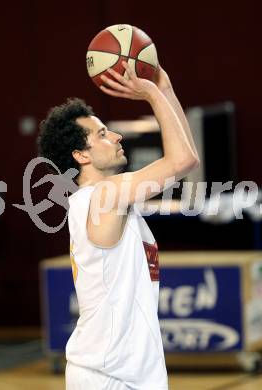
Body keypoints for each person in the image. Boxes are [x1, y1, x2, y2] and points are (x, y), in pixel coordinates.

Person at [38, 62, 199, 390]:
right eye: (101, 134)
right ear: (81, 156)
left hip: (123, 370)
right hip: (108, 374)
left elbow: (186, 156)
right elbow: (183, 161)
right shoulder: (105, 196)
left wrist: (165, 91)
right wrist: (152, 93)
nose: (116, 136)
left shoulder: (105, 198)